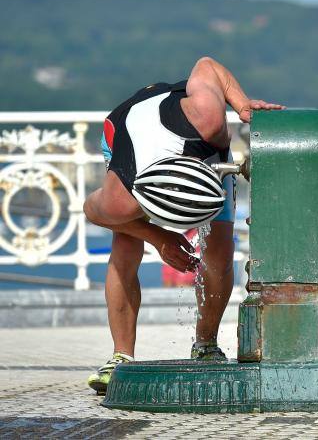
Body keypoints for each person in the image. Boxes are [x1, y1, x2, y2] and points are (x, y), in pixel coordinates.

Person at [83, 57, 284, 394]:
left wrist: (241, 102)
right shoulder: (124, 197)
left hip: (191, 133)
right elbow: (92, 211)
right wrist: (159, 237)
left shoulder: (208, 118)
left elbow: (207, 64)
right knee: (125, 243)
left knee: (220, 248)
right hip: (123, 132)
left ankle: (205, 344)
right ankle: (120, 356)